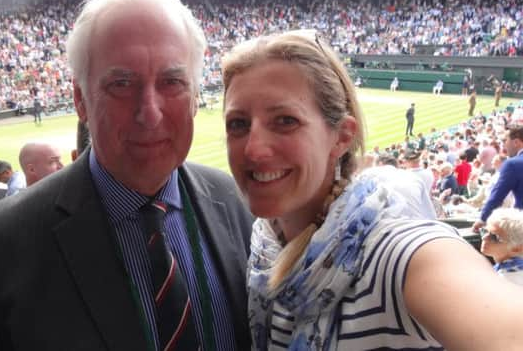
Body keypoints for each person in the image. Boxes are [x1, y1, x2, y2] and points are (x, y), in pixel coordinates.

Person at [0, 0, 253, 351]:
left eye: (172, 82)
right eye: (121, 83)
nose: (150, 113)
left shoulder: (235, 201)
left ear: (196, 97)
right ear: (80, 100)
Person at [221, 29, 523, 350]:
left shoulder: (395, 253)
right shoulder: (262, 245)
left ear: (341, 136)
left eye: (285, 120)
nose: (253, 150)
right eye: (238, 124)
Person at [474, 125, 523, 232]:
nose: (504, 145)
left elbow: (497, 195)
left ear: (516, 142)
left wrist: (482, 219)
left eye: (505, 141)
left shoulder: (512, 164)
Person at [480, 208, 523, 286]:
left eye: (494, 237)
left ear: (516, 248)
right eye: (484, 231)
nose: (484, 238)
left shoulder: (508, 279)